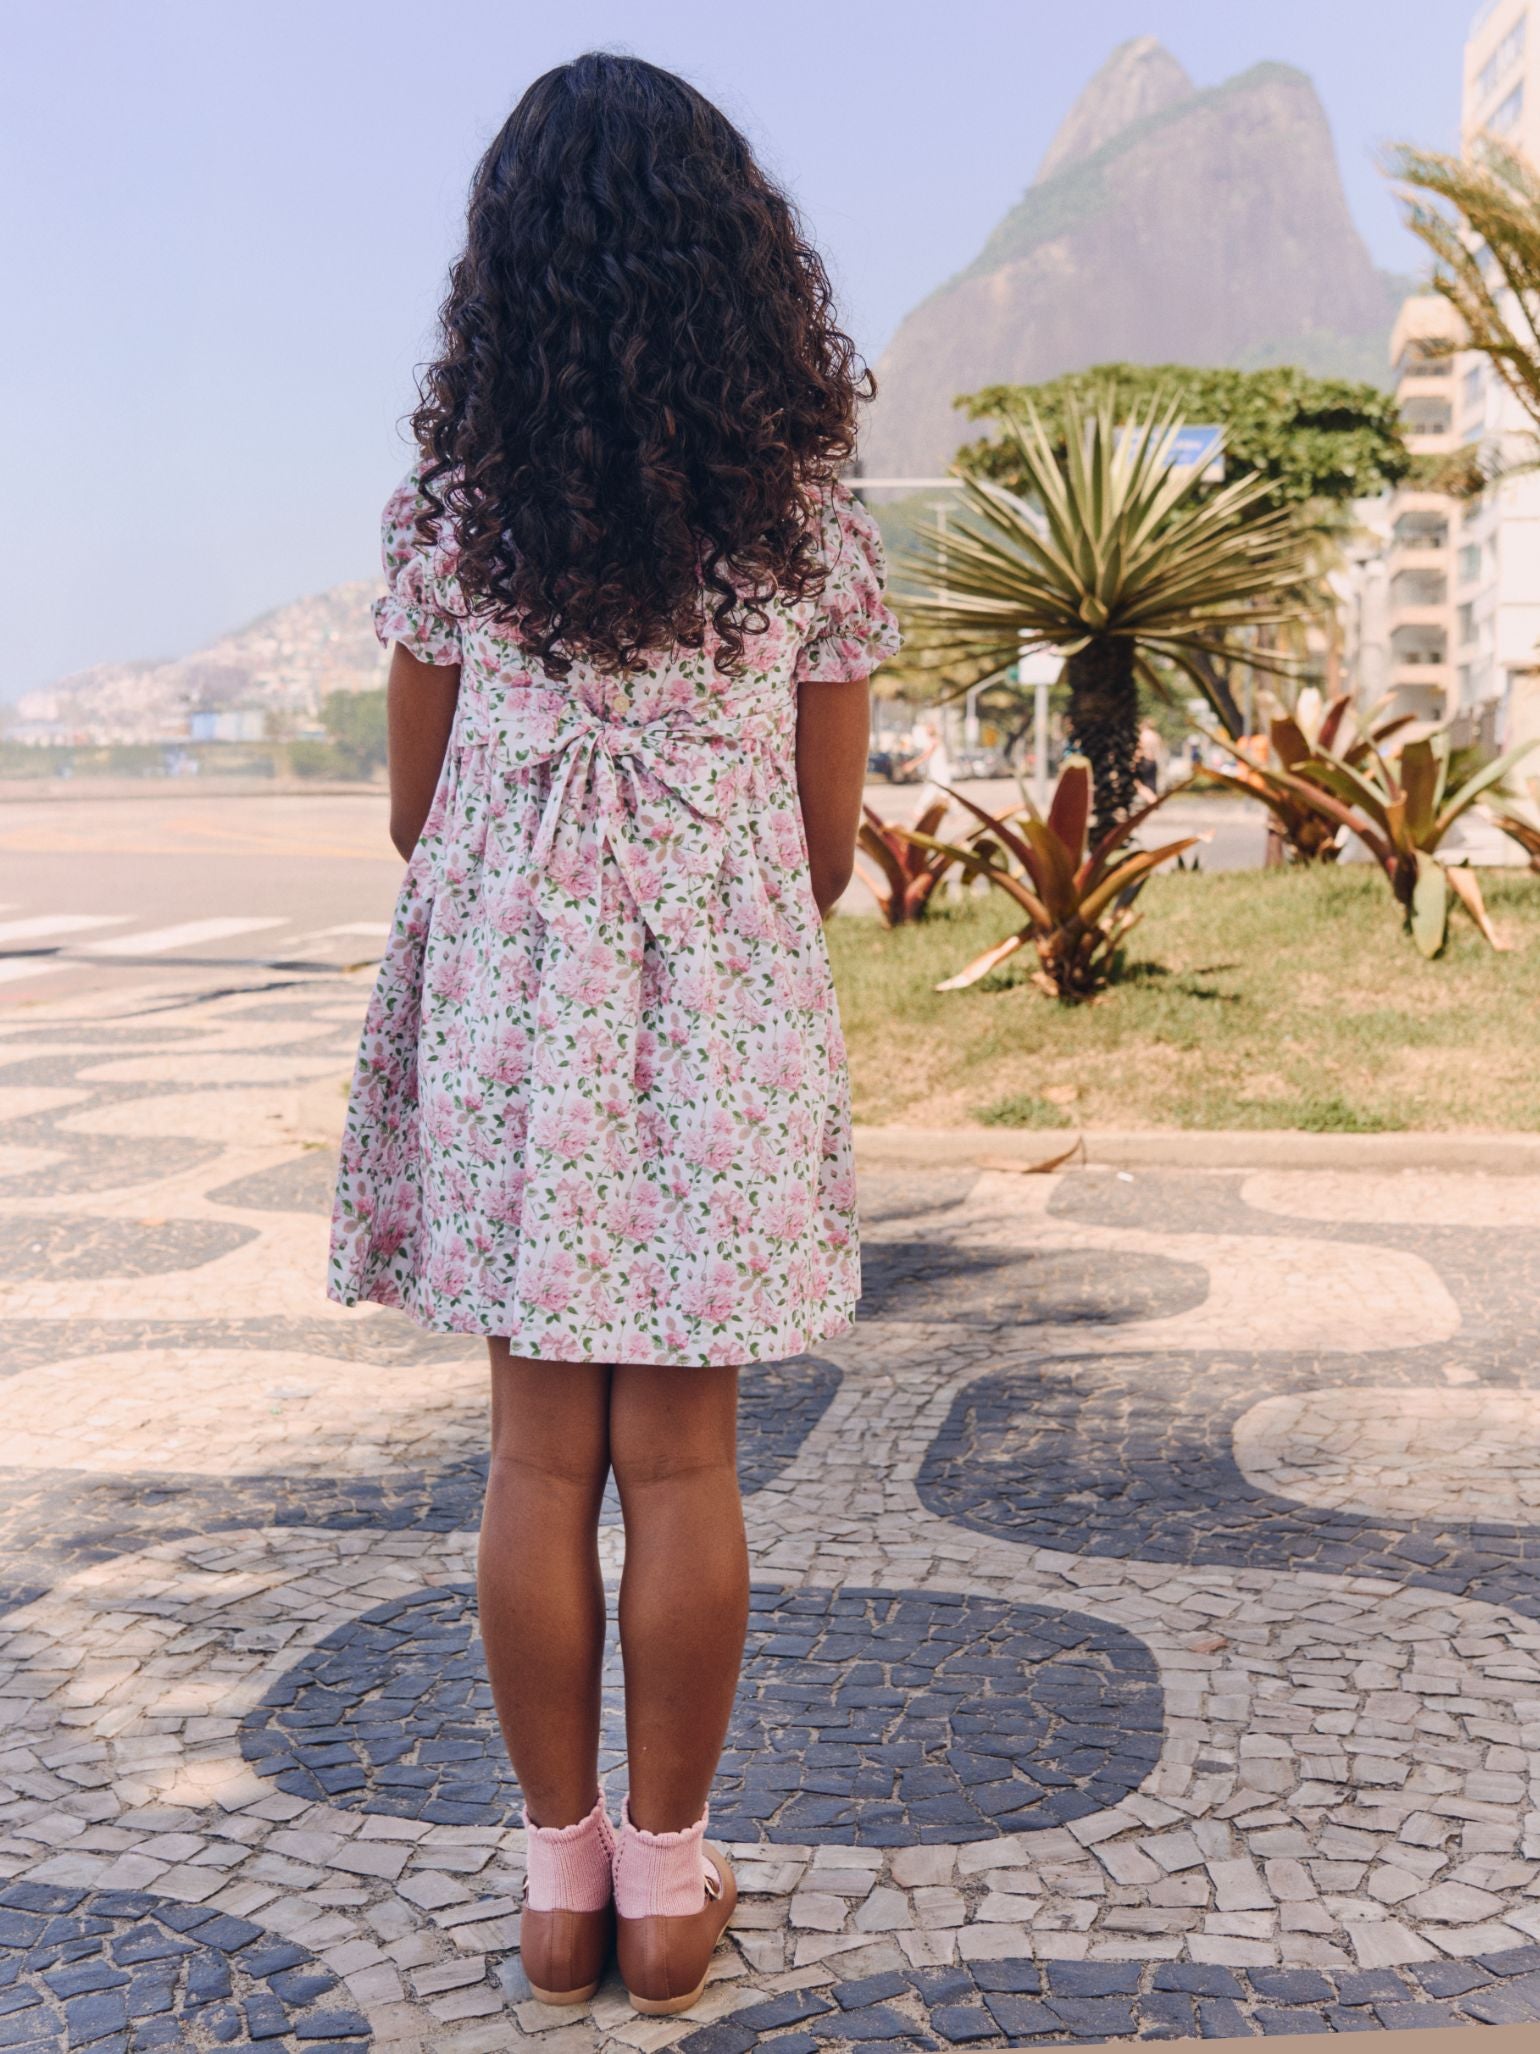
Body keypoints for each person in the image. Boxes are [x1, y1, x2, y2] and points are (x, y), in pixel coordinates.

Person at [326, 54, 899, 2019]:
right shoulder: (805, 510)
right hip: (714, 1015)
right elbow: (820, 843)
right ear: (735, 264)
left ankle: (553, 1890)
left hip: (512, 1020)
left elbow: (419, 813)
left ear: (507, 275)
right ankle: (669, 1891)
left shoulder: (455, 507)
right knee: (683, 1466)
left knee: (527, 1456)